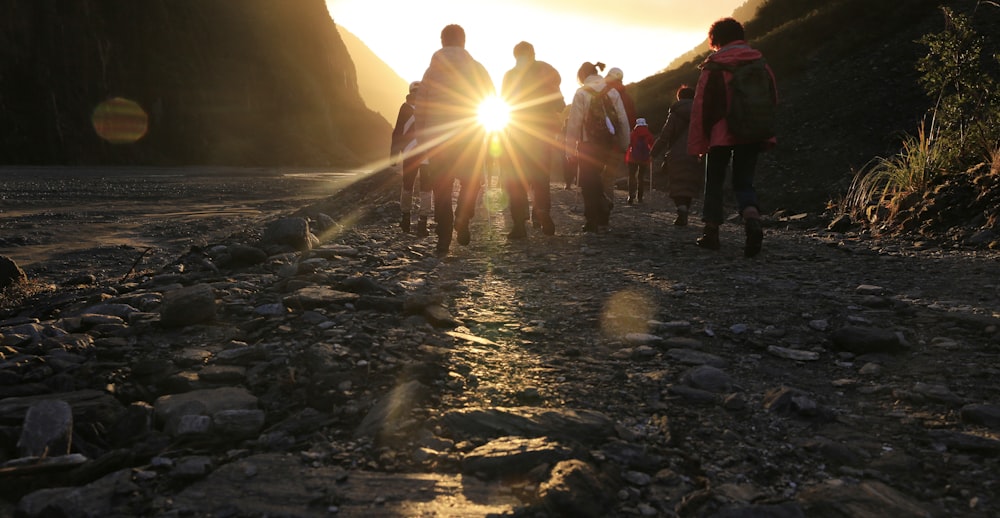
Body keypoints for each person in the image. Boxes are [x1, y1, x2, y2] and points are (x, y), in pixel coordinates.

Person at [689, 17, 777, 257]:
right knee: (744, 182)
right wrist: (766, 132)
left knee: (714, 181)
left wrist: (699, 142)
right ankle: (752, 221)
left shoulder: (714, 65)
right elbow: (771, 98)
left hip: (719, 134)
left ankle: (711, 232)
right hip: (751, 132)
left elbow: (701, 107)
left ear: (715, 40)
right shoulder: (759, 62)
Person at [414, 24, 495, 256]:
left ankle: (444, 237)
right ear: (464, 42)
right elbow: (491, 100)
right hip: (470, 136)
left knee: (442, 188)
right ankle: (463, 216)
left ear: (442, 42)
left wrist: (422, 141)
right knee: (471, 181)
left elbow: (420, 109)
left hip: (439, 139)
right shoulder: (478, 69)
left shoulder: (431, 72)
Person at [500, 41, 564, 239]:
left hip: (518, 135)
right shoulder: (546, 72)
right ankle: (541, 212)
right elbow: (560, 104)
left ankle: (519, 225)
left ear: (515, 55)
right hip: (542, 135)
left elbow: (504, 104)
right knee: (540, 179)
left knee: (516, 180)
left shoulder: (510, 75)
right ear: (533, 54)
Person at [564, 61, 630, 232]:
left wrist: (569, 149)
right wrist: (624, 143)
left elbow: (574, 123)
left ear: (582, 76)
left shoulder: (582, 93)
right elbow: (622, 119)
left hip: (587, 143)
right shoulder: (612, 91)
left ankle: (592, 218)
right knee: (598, 178)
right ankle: (603, 214)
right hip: (607, 143)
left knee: (588, 181)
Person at [651, 84, 703, 226]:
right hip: (695, 153)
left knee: (677, 182)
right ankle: (685, 208)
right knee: (689, 183)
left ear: (679, 97)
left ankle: (681, 209)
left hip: (676, 153)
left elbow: (665, 135)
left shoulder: (675, 113)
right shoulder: (700, 112)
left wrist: (653, 153)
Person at [389, 81, 432, 236]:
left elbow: (397, 132)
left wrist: (394, 156)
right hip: (427, 153)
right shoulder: (429, 108)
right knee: (426, 188)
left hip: (409, 153)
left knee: (407, 186)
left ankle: (406, 219)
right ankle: (422, 223)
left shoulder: (405, 108)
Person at [601, 67, 636, 216]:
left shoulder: (602, 94)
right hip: (619, 144)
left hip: (601, 143)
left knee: (596, 175)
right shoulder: (627, 98)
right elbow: (631, 121)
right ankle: (607, 206)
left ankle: (601, 207)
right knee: (609, 177)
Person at [625, 118, 654, 205]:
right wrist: (651, 156)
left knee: (631, 176)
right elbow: (652, 146)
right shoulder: (649, 134)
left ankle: (631, 195)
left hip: (632, 158)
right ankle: (640, 196)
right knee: (641, 177)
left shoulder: (632, 134)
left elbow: (628, 144)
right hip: (644, 159)